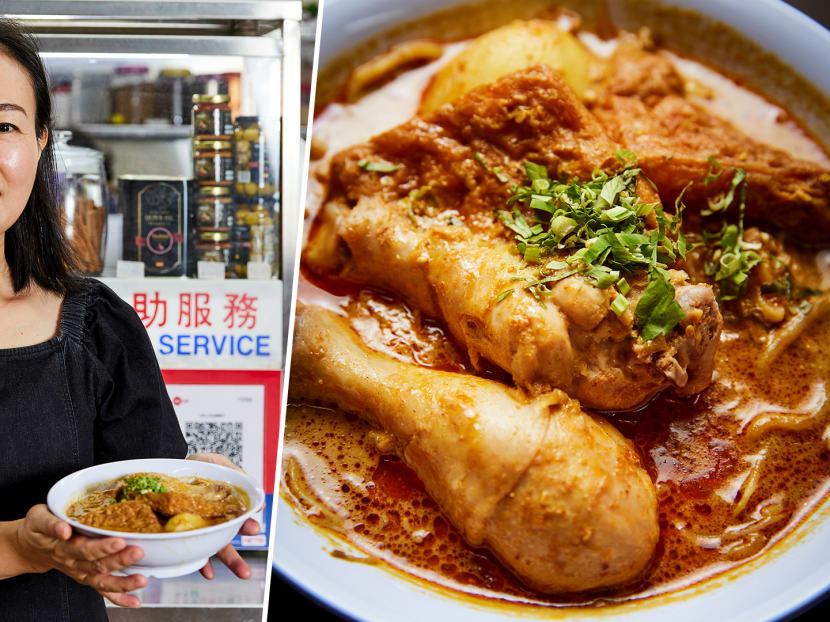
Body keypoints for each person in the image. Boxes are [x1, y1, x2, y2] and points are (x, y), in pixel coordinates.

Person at [0, 19, 257, 620]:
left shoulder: (94, 323)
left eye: (2, 124)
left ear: (40, 143)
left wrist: (206, 488)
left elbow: (151, 479)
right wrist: (17, 545)